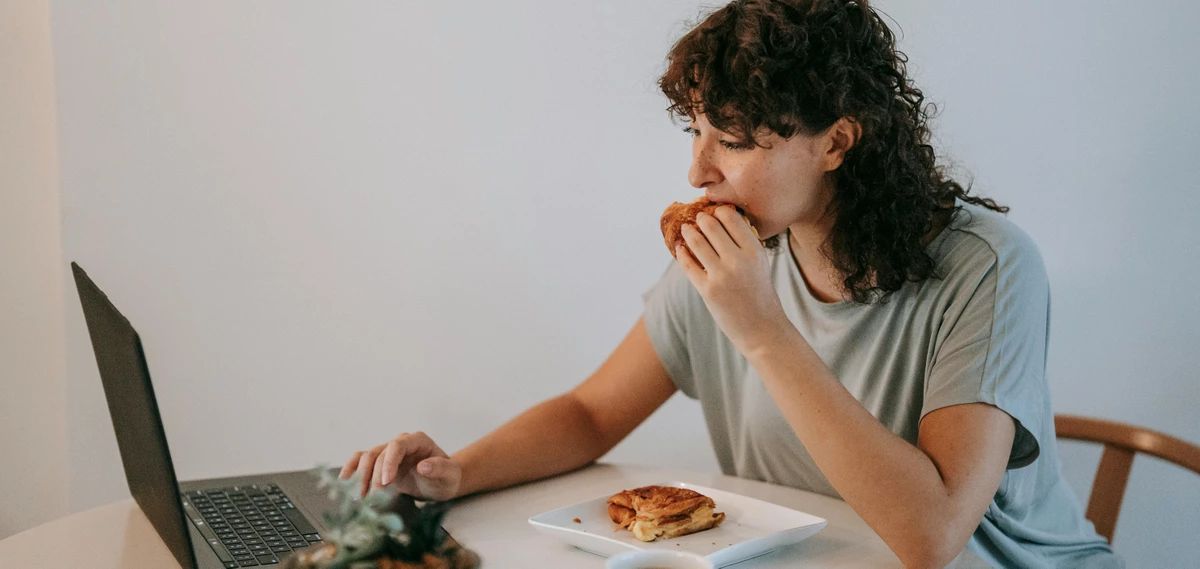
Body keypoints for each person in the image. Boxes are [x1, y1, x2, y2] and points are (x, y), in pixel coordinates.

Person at [341, 1, 1122, 567]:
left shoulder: (986, 267)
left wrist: (760, 329)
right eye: (696, 131)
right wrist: (457, 472)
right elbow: (588, 413)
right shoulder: (736, 252)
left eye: (736, 141)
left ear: (837, 142)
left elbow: (932, 536)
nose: (697, 171)